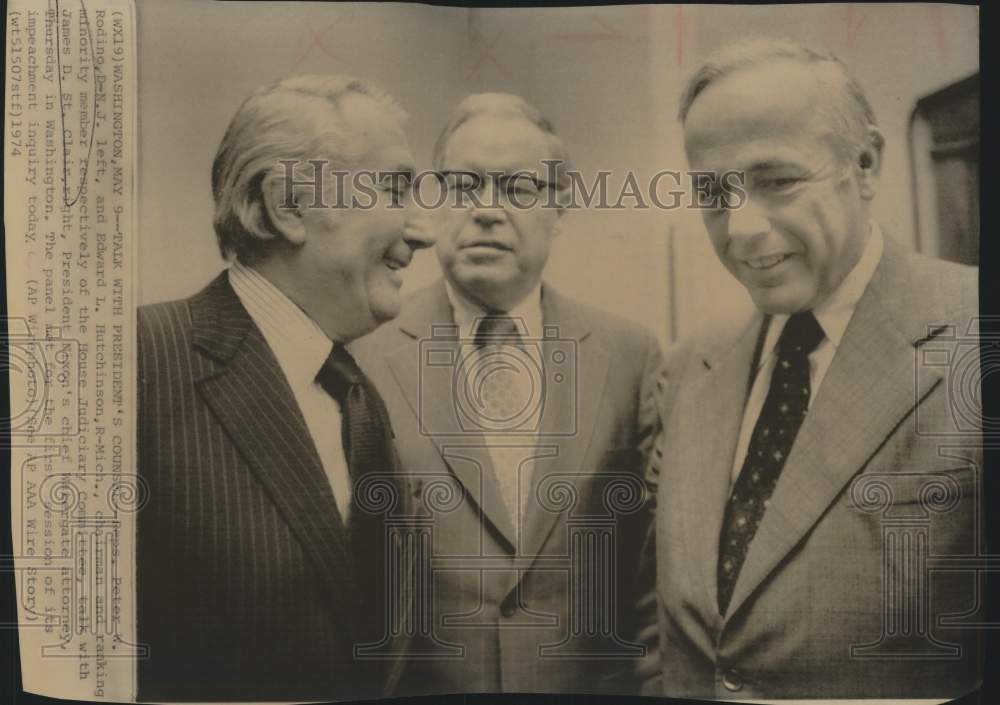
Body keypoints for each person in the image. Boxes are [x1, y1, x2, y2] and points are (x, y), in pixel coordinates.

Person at [647, 39, 982, 699]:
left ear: (865, 164)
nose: (740, 228)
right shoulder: (690, 365)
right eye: (713, 191)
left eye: (776, 180)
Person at [135, 75, 435, 701]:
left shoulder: (359, 400)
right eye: (394, 188)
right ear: (287, 207)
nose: (423, 229)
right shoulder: (135, 362)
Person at [352, 93, 662, 695]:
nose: (487, 211)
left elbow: (653, 578)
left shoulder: (630, 355)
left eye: (518, 189)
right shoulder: (365, 353)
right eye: (463, 186)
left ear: (559, 208)